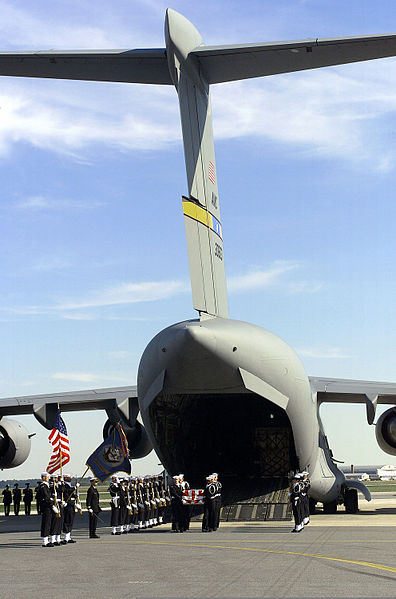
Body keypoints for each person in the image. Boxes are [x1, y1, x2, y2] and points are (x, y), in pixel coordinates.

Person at [37, 472, 55, 547]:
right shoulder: (43, 486)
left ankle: (47, 540)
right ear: (44, 477)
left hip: (48, 507)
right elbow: (46, 497)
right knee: (46, 523)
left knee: (48, 523)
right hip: (46, 507)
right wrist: (52, 505)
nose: (48, 478)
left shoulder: (46, 486)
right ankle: (45, 541)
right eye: (47, 477)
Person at [62, 474, 80, 543]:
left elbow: (72, 494)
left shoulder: (69, 485)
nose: (70, 478)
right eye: (69, 477)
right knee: (67, 520)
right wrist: (75, 487)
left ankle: (68, 536)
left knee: (71, 520)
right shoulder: (65, 485)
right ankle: (65, 537)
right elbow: (67, 491)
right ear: (65, 478)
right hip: (68, 505)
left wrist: (76, 495)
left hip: (71, 504)